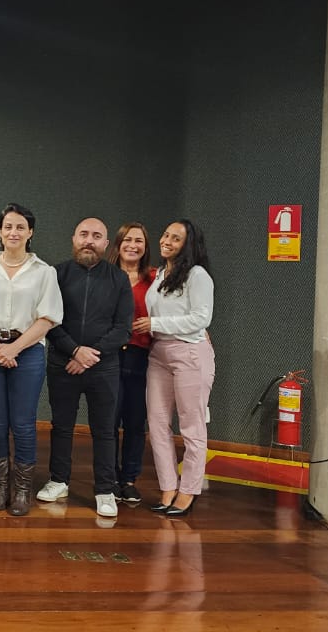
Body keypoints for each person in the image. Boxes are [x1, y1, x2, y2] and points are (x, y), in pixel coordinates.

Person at [0, 203, 62, 516]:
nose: (13, 232)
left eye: (20, 227)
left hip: (28, 352)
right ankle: (0, 486)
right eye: (8, 226)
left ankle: (22, 489)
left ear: (30, 232)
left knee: (22, 423)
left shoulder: (44, 272)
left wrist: (14, 349)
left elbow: (47, 318)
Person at [39, 217, 132, 518]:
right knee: (61, 426)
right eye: (83, 234)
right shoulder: (56, 274)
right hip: (62, 363)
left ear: (106, 243)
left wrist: (90, 355)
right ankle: (58, 481)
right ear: (74, 238)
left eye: (96, 236)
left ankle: (104, 489)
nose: (89, 240)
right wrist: (75, 351)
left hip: (103, 367)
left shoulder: (119, 279)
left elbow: (123, 328)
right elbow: (48, 320)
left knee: (104, 430)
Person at [137, 219, 215, 517]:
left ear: (188, 244)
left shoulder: (197, 275)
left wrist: (155, 323)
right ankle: (168, 487)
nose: (167, 240)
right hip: (159, 353)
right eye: (166, 234)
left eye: (176, 238)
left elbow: (201, 319)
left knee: (191, 426)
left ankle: (189, 491)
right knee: (157, 424)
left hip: (189, 353)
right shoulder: (160, 274)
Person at [107, 222, 156, 504]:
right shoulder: (106, 275)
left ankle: (129, 479)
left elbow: (173, 310)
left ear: (145, 247)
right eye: (127, 240)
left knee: (136, 422)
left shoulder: (156, 278)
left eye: (139, 241)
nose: (133, 245)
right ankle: (110, 477)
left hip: (142, 357)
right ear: (118, 243)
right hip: (111, 355)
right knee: (109, 420)